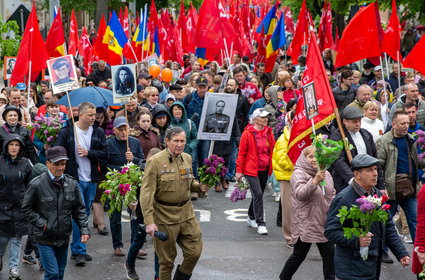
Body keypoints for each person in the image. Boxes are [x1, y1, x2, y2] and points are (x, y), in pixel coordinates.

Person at [325, 154, 410, 280]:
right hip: (352, 269)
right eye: (370, 170)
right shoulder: (344, 198)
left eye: (375, 169)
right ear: (357, 174)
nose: (375, 173)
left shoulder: (376, 194)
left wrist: (401, 253)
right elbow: (331, 231)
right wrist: (356, 239)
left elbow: (387, 226)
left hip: (372, 265)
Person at [140, 127, 209, 280]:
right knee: (166, 262)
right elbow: (147, 193)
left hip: (186, 215)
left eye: (182, 141)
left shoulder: (187, 158)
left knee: (194, 252)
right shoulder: (155, 161)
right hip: (164, 217)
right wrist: (149, 222)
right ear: (166, 142)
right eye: (176, 141)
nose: (179, 144)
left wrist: (200, 187)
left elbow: (190, 183)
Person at [22, 146, 90, 280]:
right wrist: (42, 224)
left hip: (63, 237)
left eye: (63, 164)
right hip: (44, 238)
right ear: (48, 164)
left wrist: (84, 229)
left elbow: (79, 209)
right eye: (56, 164)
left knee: (60, 273)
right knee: (52, 273)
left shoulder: (72, 184)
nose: (60, 168)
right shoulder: (37, 184)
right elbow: (26, 209)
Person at [56, 102, 108, 266]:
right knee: (79, 214)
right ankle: (79, 250)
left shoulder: (98, 132)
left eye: (95, 115)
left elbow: (105, 154)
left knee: (84, 214)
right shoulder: (68, 131)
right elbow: (58, 152)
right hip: (73, 179)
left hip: (91, 179)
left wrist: (89, 153)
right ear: (81, 114)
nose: (94, 118)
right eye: (91, 115)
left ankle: (77, 248)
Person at [279, 146, 335, 280]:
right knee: (299, 255)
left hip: (323, 221)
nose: (314, 159)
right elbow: (300, 194)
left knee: (330, 257)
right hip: (306, 222)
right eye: (310, 157)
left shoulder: (325, 173)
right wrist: (315, 181)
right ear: (304, 158)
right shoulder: (298, 173)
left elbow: (332, 192)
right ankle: (284, 277)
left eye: (317, 156)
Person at [376, 109, 424, 263]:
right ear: (394, 124)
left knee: (415, 221)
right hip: (390, 190)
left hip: (410, 189)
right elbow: (378, 167)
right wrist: (382, 188)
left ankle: (420, 253)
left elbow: (418, 162)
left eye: (407, 123)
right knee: (384, 222)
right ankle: (382, 252)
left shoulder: (411, 139)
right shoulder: (383, 141)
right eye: (402, 123)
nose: (406, 126)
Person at [106, 116, 145, 257]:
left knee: (135, 215)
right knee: (115, 215)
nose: (123, 132)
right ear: (115, 130)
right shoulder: (108, 143)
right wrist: (122, 169)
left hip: (132, 182)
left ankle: (136, 246)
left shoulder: (134, 142)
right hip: (115, 181)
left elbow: (142, 161)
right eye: (120, 130)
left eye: (125, 129)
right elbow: (104, 165)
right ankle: (117, 245)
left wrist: (133, 159)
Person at [236, 108, 275, 235]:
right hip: (251, 169)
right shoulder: (247, 133)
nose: (266, 119)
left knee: (257, 195)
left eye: (266, 117)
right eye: (263, 117)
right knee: (258, 194)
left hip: (264, 168)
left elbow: (272, 149)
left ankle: (251, 217)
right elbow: (241, 153)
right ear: (255, 119)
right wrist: (239, 171)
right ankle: (261, 223)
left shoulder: (269, 132)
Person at [330, 106, 385, 193]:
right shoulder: (337, 137)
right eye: (354, 121)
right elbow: (339, 161)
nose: (358, 124)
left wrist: (381, 185)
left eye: (359, 121)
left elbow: (375, 159)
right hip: (347, 184)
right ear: (345, 121)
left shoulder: (366, 135)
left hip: (368, 182)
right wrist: (352, 180)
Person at [0, 134, 32, 280]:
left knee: (16, 239)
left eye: (17, 145)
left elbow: (31, 184)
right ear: (6, 146)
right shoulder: (0, 162)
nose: (14, 147)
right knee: (3, 239)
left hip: (20, 206)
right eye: (11, 144)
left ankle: (13, 268)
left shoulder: (25, 163)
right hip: (2, 206)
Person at [272, 112, 295, 247]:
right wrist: (298, 165)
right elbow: (282, 160)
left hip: (298, 176)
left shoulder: (299, 136)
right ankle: (289, 238)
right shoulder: (283, 138)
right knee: (288, 209)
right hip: (287, 177)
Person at [169, 102, 199, 179]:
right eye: (175, 109)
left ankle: (191, 183)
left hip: (188, 150)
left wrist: (190, 147)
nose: (178, 111)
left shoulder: (190, 123)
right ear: (172, 111)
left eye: (179, 109)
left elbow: (196, 138)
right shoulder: (168, 123)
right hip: (173, 151)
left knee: (188, 169)